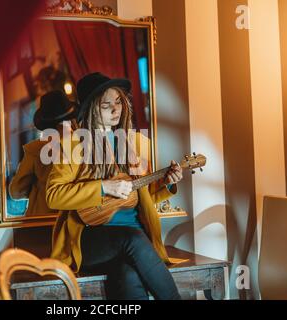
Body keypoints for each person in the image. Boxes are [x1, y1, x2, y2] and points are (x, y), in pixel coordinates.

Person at [46, 72, 183, 300]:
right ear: (91, 109)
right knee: (133, 239)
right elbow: (53, 196)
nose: (115, 109)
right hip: (92, 239)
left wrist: (167, 185)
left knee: (128, 274)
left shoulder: (133, 143)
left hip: (135, 239)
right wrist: (102, 187)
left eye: (118, 102)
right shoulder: (70, 146)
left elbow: (138, 196)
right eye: (106, 105)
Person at [9, 90, 78, 216]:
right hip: (74, 223)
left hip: (41, 222)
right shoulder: (85, 145)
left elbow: (16, 191)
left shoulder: (36, 150)